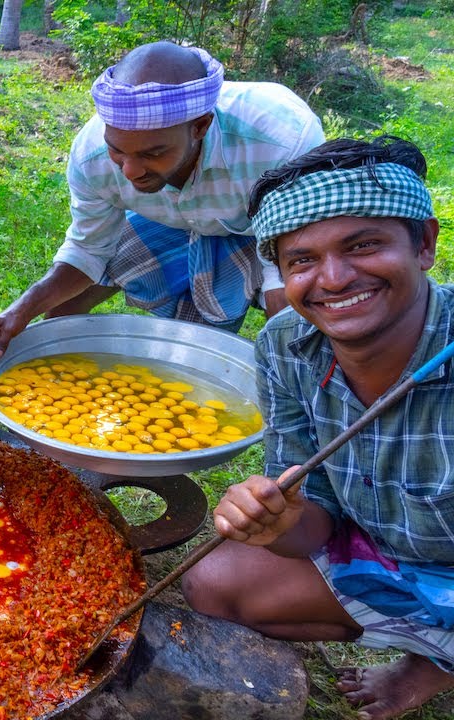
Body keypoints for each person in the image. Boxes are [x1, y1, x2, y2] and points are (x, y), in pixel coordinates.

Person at [180, 136, 454, 720]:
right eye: (301, 260)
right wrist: (279, 521)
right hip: (384, 554)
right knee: (216, 581)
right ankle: (432, 646)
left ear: (424, 244)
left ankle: (436, 661)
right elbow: (312, 521)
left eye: (364, 245)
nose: (333, 278)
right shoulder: (286, 344)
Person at [0, 41, 325, 357]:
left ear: (200, 127)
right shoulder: (91, 155)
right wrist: (21, 309)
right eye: (117, 149)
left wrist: (288, 338)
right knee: (79, 287)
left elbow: (294, 259)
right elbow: (89, 249)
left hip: (262, 235)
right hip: (167, 220)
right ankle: (51, 365)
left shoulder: (281, 141)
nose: (130, 171)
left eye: (153, 153)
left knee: (295, 307)